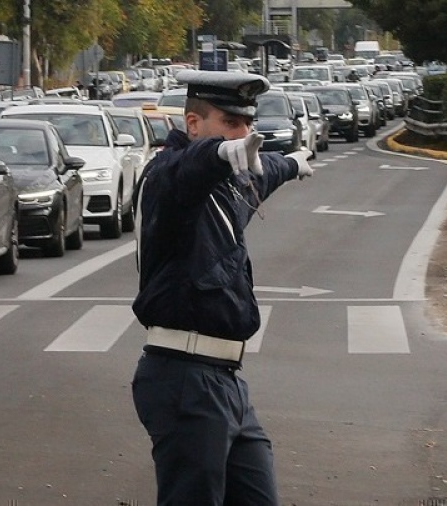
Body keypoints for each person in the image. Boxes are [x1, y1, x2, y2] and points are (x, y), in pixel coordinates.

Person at [130, 69, 314, 505]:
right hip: (183, 375)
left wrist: (290, 164)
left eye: (248, 124)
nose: (245, 133)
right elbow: (187, 168)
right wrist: (219, 153)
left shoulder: (230, 182)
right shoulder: (168, 179)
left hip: (225, 380)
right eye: (231, 123)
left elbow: (261, 171)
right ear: (193, 124)